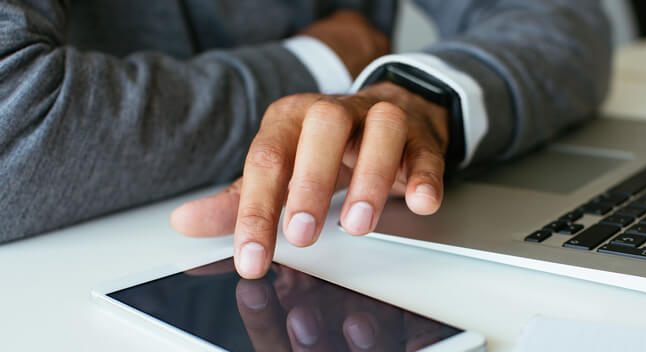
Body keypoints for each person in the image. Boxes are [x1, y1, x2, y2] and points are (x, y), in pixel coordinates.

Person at [0, 1, 612, 279]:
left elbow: (563, 17)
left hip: (362, 258)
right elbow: (13, 116)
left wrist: (415, 95)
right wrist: (324, 60)